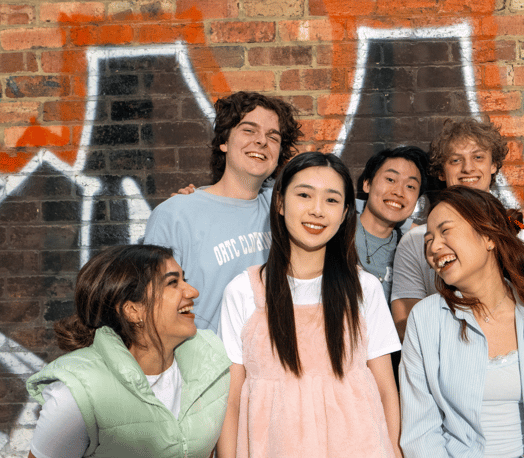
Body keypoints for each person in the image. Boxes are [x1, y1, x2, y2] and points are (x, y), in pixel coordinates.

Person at [218, 152, 402, 458]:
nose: (317, 211)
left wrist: (394, 449)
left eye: (331, 200)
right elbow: (232, 398)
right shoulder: (243, 291)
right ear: (280, 203)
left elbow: (385, 389)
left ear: (345, 213)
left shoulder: (364, 289)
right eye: (304, 195)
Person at [400, 186, 524, 458]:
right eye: (428, 240)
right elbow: (420, 428)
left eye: (445, 231)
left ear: (488, 236)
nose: (433, 247)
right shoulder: (426, 318)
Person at [26, 244, 230, 458]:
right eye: (172, 283)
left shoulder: (210, 363)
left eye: (184, 280)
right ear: (133, 310)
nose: (192, 292)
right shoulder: (77, 393)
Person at [144, 91, 302, 333]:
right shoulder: (176, 214)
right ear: (224, 142)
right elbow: (154, 308)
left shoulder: (285, 207)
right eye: (249, 130)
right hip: (208, 366)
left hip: (273, 365)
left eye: (273, 136)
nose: (261, 141)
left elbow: (350, 207)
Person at [390, 118, 524, 339]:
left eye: (478, 157)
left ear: (493, 166)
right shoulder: (416, 241)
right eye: (455, 160)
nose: (468, 167)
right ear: (441, 172)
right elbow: (406, 324)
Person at [355, 146, 430, 304]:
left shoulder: (411, 247)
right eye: (390, 179)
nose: (399, 192)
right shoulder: (337, 229)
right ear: (367, 184)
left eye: (410, 186)